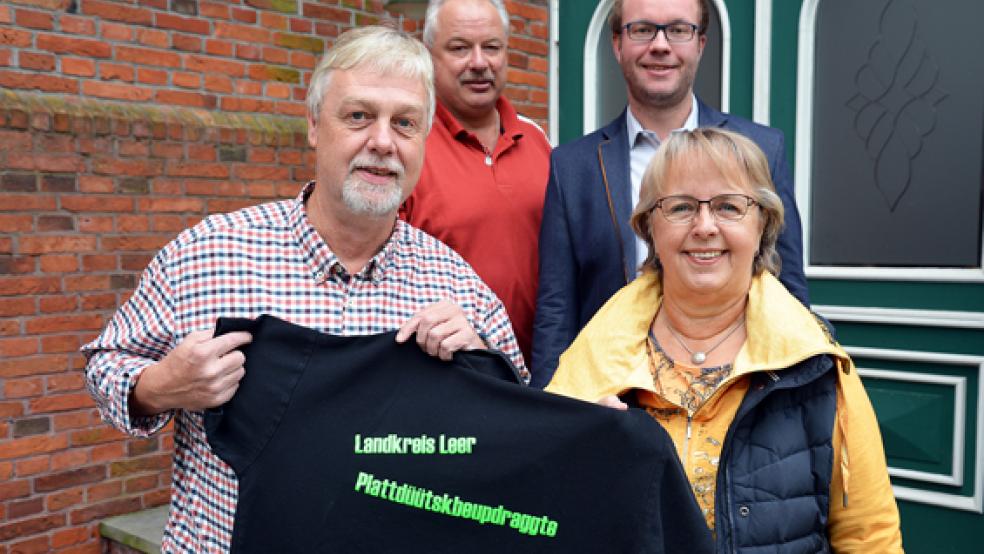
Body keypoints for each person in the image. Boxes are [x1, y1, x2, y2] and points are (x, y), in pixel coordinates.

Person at [82, 26, 526, 552]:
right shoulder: (210, 252)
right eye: (359, 116)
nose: (382, 142)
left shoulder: (458, 287)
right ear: (315, 126)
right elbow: (103, 364)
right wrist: (157, 386)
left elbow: (511, 439)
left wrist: (479, 366)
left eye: (404, 123)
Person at [546, 128, 903, 552]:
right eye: (680, 207)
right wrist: (579, 461)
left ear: (762, 225)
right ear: (649, 228)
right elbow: (546, 517)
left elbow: (869, 536)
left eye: (729, 206)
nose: (704, 226)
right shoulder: (588, 370)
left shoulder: (817, 366)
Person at [532, 0, 809, 387]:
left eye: (678, 30)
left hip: (736, 391)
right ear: (617, 44)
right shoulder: (571, 166)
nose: (660, 45)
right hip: (611, 398)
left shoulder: (759, 147)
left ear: (700, 43)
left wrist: (795, 391)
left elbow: (787, 284)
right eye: (642, 29)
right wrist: (552, 411)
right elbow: (556, 309)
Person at [401, 0, 552, 364]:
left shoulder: (537, 141)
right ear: (428, 55)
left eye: (491, 47)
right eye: (459, 48)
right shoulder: (407, 147)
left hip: (540, 370)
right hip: (447, 369)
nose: (479, 62)